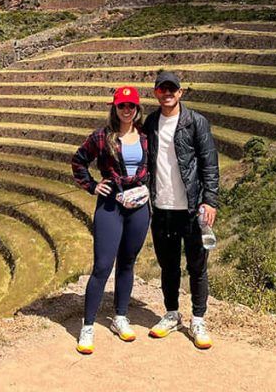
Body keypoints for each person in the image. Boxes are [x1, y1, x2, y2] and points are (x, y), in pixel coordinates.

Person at [70, 85, 151, 354]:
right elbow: (78, 161)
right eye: (121, 106)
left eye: (131, 106)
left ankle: (120, 317)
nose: (126, 110)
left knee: (127, 262)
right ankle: (88, 326)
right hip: (110, 205)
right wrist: (92, 186)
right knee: (103, 266)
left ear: (137, 109)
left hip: (138, 205)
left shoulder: (145, 136)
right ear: (114, 109)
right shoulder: (102, 137)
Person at [143, 70, 219, 350]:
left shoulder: (196, 122)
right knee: (169, 266)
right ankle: (172, 314)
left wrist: (210, 200)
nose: (167, 93)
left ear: (180, 92)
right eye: (162, 89)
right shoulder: (151, 123)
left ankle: (198, 320)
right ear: (156, 93)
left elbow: (209, 163)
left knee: (197, 266)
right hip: (162, 208)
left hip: (192, 208)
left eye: (172, 89)